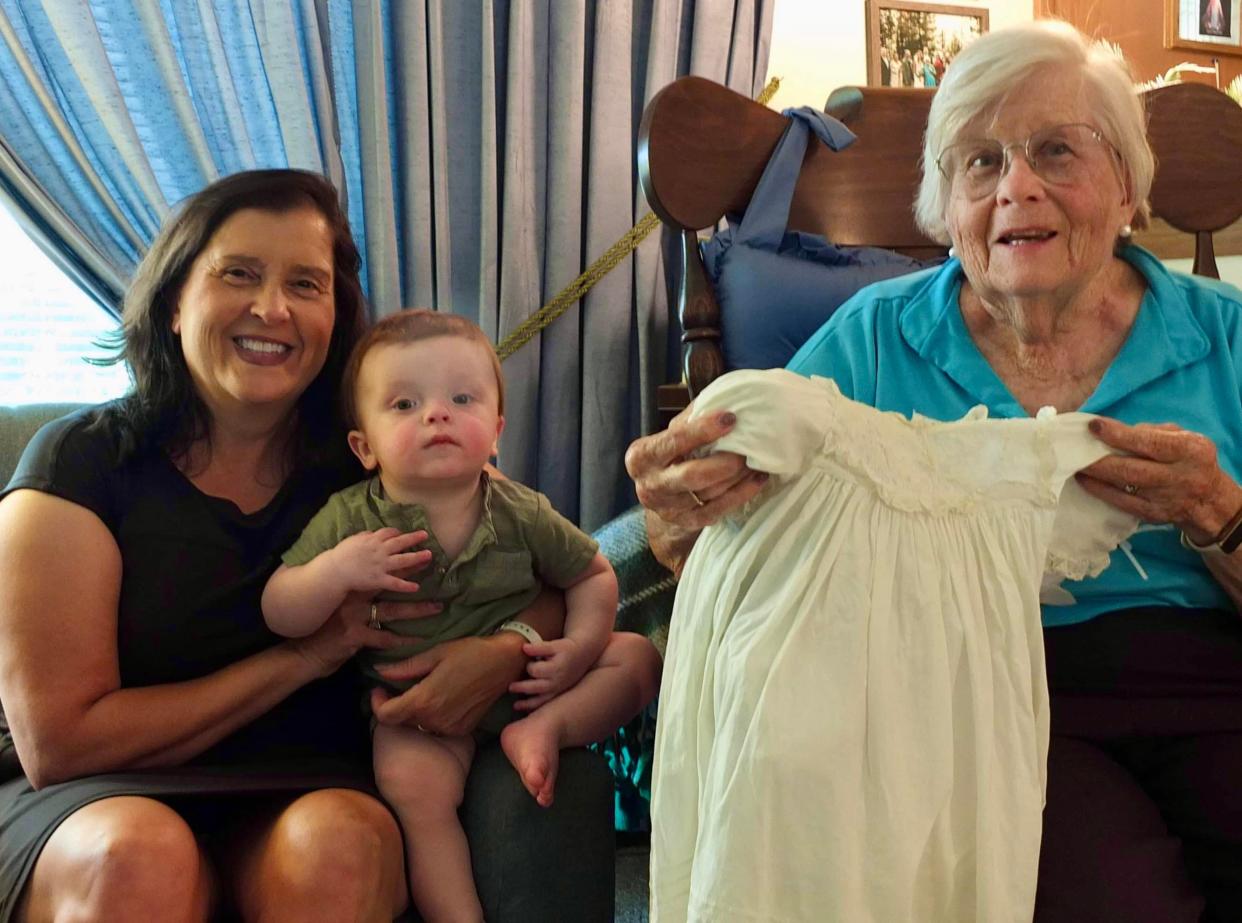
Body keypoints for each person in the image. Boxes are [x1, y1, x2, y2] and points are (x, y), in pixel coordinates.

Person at [627, 20, 1242, 923]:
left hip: (1213, 672)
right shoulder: (874, 339)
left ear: (1126, 187)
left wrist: (1220, 511)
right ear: (944, 206)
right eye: (979, 163)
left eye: (1055, 151)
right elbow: (725, 539)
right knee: (1110, 898)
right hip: (982, 688)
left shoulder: (1225, 335)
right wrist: (677, 510)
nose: (1016, 189)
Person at [0, 169, 614, 923]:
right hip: (94, 794)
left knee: (338, 847)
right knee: (137, 856)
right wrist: (301, 658)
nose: (272, 307)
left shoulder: (374, 458)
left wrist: (505, 648)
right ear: (172, 304)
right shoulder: (80, 463)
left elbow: (540, 566)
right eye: (239, 273)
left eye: (306, 283)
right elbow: (60, 741)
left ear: (335, 317)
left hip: (312, 778)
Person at [263, 308, 661, 921]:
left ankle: (545, 734)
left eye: (461, 397)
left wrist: (579, 648)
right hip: (418, 712)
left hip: (531, 690)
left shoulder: (519, 509)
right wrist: (336, 571)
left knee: (636, 656)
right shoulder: (351, 519)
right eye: (404, 404)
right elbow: (280, 608)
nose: (436, 413)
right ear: (363, 447)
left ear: (496, 429)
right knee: (414, 791)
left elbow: (591, 574)